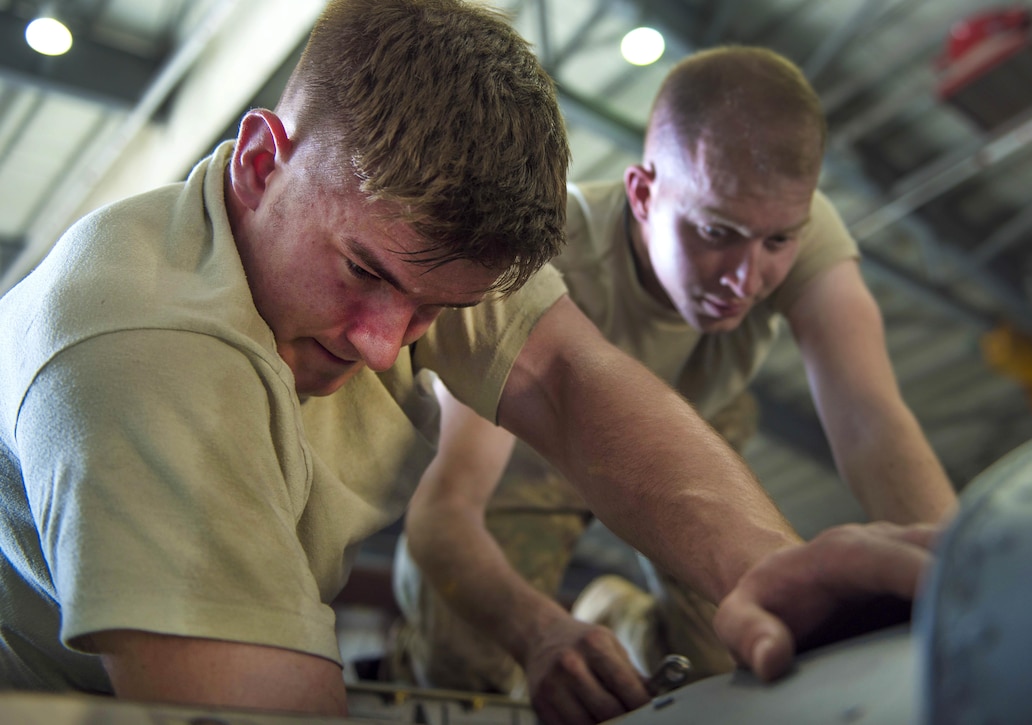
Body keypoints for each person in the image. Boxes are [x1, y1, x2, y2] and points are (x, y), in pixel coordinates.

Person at [0, 2, 913, 719]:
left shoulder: (413, 234)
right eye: (362, 272)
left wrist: (776, 574)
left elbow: (569, 383)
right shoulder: (142, 350)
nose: (383, 341)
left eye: (439, 310)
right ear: (260, 162)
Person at [391, 45, 959, 724]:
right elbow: (443, 513)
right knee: (471, 670)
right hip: (525, 452)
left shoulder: (791, 229)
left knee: (739, 662)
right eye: (716, 232)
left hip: (698, 429)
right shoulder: (541, 256)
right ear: (641, 192)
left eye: (778, 242)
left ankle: (621, 615)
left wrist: (958, 583)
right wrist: (540, 632)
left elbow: (871, 418)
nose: (745, 278)